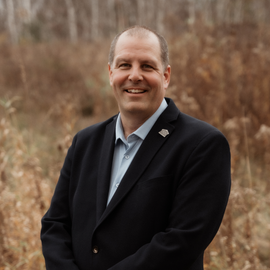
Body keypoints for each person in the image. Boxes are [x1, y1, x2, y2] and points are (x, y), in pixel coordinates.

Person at [41, 25, 231, 270]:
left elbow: (183, 240)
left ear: (166, 75)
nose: (134, 75)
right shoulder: (85, 142)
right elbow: (55, 224)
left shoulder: (202, 145)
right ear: (111, 73)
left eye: (147, 66)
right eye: (124, 65)